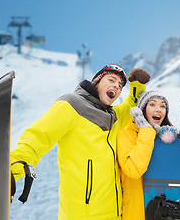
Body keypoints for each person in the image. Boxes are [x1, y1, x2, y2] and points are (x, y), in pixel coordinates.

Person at [10, 64, 150, 219]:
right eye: (111, 80)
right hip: (81, 214)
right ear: (97, 81)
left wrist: (137, 85)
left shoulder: (113, 116)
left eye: (120, 86)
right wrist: (12, 168)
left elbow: (133, 105)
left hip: (113, 214)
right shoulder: (71, 104)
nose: (116, 86)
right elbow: (39, 137)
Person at [117, 90, 177, 220]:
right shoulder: (125, 135)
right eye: (152, 104)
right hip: (135, 213)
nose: (158, 110)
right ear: (142, 109)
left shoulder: (165, 138)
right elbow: (133, 170)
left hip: (164, 211)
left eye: (163, 106)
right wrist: (146, 131)